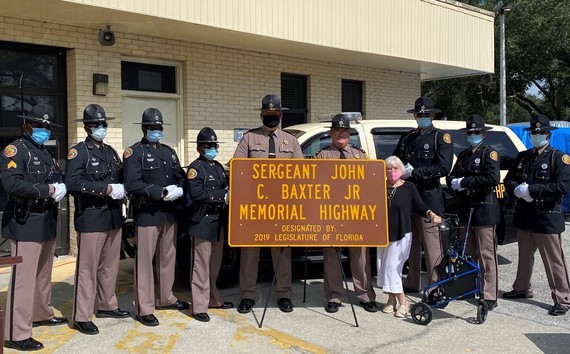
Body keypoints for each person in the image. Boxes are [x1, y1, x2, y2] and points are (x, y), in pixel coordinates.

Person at [1, 104, 67, 351]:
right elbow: (12, 184)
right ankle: (15, 333)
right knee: (24, 279)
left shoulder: (44, 152)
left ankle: (41, 313)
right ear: (28, 125)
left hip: (46, 219)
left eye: (47, 127)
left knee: (42, 275)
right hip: (25, 220)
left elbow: (55, 176)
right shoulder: (16, 150)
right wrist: (48, 190)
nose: (44, 130)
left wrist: (59, 186)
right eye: (39, 126)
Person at [233, 94, 303, 314]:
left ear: (281, 115)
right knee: (250, 251)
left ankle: (284, 294)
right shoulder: (249, 139)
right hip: (254, 205)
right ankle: (247, 295)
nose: (271, 117)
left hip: (283, 204)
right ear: (261, 114)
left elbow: (301, 172)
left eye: (275, 114)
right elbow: (238, 169)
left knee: (282, 251)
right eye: (267, 114)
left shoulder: (290, 140)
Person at [65, 104, 130, 335]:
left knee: (110, 266)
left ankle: (107, 304)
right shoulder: (78, 152)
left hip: (113, 217)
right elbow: (72, 184)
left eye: (103, 124)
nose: (101, 128)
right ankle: (82, 316)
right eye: (96, 124)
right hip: (91, 217)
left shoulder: (110, 152)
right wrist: (105, 189)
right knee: (87, 269)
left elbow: (123, 176)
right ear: (86, 127)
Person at [123, 108, 189, 326]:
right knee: (144, 263)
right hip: (148, 213)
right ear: (144, 128)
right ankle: (144, 307)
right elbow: (132, 184)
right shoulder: (134, 153)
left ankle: (166, 298)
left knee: (167, 259)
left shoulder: (169, 152)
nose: (156, 131)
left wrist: (180, 189)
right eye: (152, 128)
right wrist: (160, 192)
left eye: (159, 128)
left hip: (169, 214)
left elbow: (180, 176)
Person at [502, 114, 570, 316]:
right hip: (525, 214)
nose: (536, 135)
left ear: (548, 134)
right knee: (525, 256)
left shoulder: (558, 158)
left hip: (546, 215)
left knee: (553, 260)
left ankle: (563, 298)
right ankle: (522, 288)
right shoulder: (523, 157)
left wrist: (532, 190)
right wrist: (517, 189)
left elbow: (562, 186)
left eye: (540, 132)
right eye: (533, 132)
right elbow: (509, 179)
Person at [315, 113, 377, 313]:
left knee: (360, 255)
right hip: (331, 212)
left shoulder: (360, 155)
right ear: (331, 133)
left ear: (349, 134)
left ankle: (365, 295)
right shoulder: (322, 155)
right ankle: (334, 296)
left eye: (344, 131)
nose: (340, 134)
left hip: (356, 213)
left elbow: (369, 184)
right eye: (336, 131)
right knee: (332, 256)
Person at [393, 96, 453, 292]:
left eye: (426, 114)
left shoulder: (440, 138)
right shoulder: (407, 137)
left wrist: (415, 172)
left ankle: (436, 285)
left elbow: (444, 167)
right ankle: (412, 282)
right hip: (409, 197)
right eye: (419, 114)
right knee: (411, 244)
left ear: (433, 115)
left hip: (429, 197)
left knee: (432, 245)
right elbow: (396, 160)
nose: (422, 117)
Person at [447, 115, 500, 310]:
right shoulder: (463, 155)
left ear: (483, 134)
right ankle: (469, 287)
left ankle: (489, 294)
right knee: (468, 253)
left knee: (487, 254)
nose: (473, 135)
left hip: (484, 208)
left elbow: (492, 179)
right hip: (466, 208)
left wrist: (465, 182)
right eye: (470, 132)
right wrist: (455, 182)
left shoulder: (489, 153)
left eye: (476, 132)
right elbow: (453, 174)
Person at [378, 156, 441, 317]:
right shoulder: (379, 186)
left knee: (392, 267)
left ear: (401, 170)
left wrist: (431, 213)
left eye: (395, 168)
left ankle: (403, 301)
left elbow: (419, 206)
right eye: (388, 168)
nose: (392, 172)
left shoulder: (409, 187)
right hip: (382, 234)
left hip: (401, 233)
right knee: (384, 267)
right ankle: (391, 301)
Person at [185, 127, 234, 322]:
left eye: (215, 145)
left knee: (214, 266)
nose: (213, 148)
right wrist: (222, 195)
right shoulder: (195, 168)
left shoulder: (218, 167)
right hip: (202, 221)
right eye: (209, 145)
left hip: (217, 222)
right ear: (200, 147)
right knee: (200, 266)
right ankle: (198, 307)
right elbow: (197, 194)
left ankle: (214, 299)